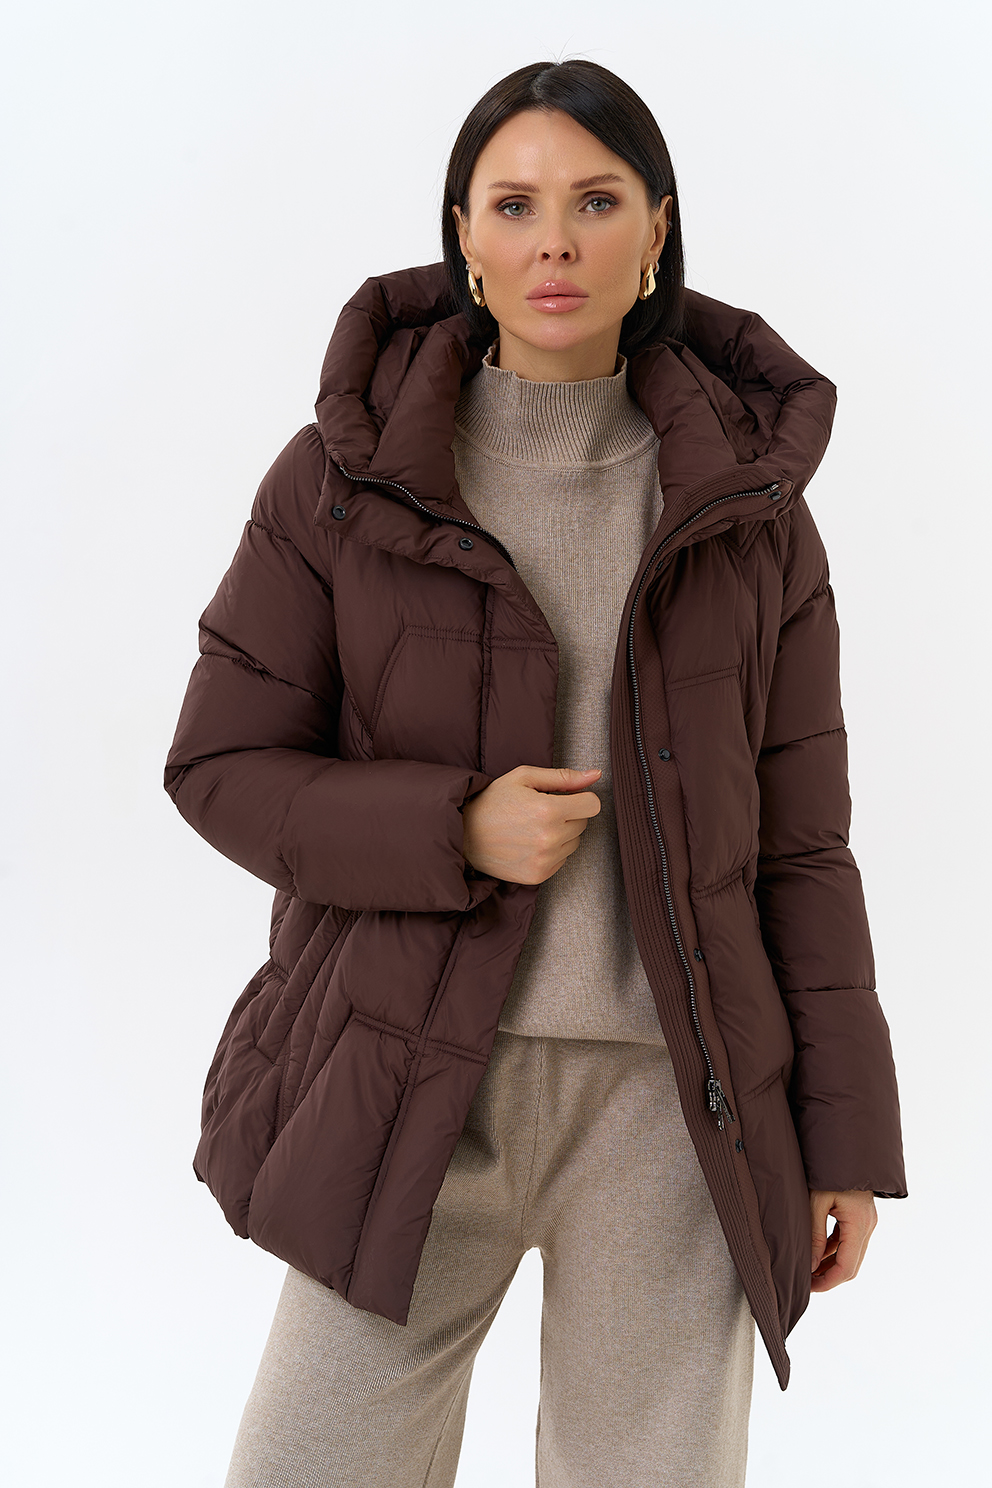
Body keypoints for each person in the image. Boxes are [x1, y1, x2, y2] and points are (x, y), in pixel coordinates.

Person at [164, 57, 906, 1488]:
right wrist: (451, 827)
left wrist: (845, 1137)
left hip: (676, 1108)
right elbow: (221, 763)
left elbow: (804, 846)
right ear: (463, 235)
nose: (553, 242)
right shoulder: (341, 481)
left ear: (656, 231)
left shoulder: (750, 517)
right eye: (513, 204)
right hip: (406, 1075)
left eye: (595, 202)